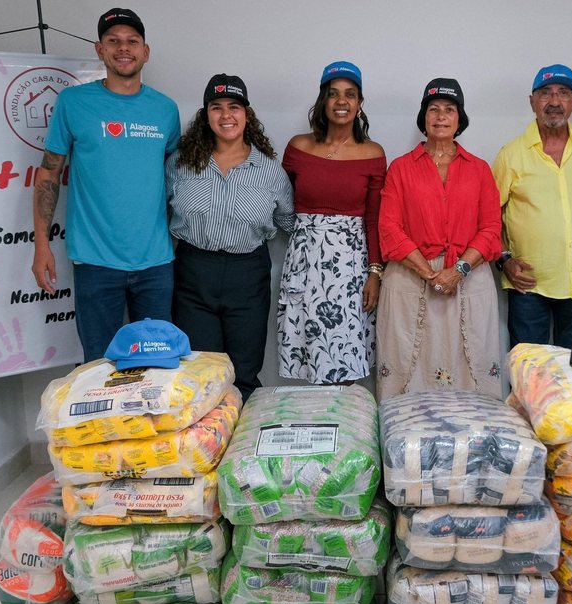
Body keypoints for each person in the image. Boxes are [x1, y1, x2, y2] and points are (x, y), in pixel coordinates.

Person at [31, 8, 180, 362]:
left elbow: (174, 174)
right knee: (99, 368)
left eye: (132, 41)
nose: (123, 48)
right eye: (113, 41)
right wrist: (41, 245)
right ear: (99, 50)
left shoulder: (165, 110)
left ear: (146, 51)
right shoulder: (73, 103)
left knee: (158, 368)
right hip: (95, 263)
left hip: (156, 263)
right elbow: (49, 173)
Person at [165, 74, 294, 401]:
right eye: (217, 107)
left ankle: (245, 434)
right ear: (205, 114)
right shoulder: (180, 165)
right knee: (199, 372)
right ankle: (208, 436)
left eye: (234, 107)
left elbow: (288, 221)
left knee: (244, 372)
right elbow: (158, 212)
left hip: (247, 275)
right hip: (193, 273)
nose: (226, 115)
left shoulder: (270, 171)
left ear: (246, 114)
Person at [376, 78, 503, 400]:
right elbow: (389, 228)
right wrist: (430, 273)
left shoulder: (479, 169)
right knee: (406, 364)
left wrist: (457, 271)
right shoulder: (400, 168)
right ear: (424, 117)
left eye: (450, 109)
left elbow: (491, 228)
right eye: (433, 109)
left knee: (470, 364)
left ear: (460, 119)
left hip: (468, 277)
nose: (441, 116)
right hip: (410, 277)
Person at [277, 61, 387, 384]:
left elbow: (373, 219)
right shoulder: (298, 148)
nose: (342, 101)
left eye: (350, 94)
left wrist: (375, 273)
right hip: (304, 264)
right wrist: (307, 236)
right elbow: (280, 203)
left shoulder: (373, 153)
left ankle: (346, 417)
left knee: (344, 358)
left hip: (350, 270)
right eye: (334, 94)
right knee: (307, 354)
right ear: (323, 100)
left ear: (359, 103)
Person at [492, 65, 572, 349]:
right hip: (527, 284)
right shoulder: (511, 154)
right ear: (532, 101)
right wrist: (504, 259)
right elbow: (487, 216)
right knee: (527, 368)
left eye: (563, 93)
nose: (554, 101)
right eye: (545, 93)